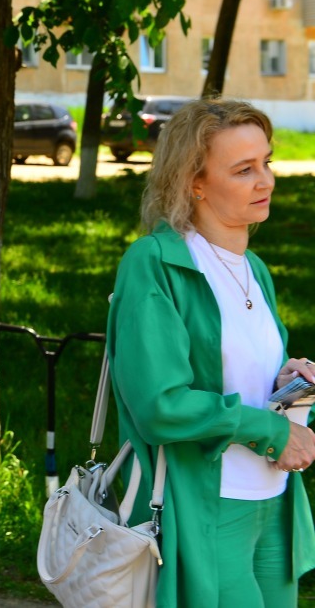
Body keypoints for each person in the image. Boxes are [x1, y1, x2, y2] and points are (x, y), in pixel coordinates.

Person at [107, 97, 315, 607]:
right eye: (244, 169)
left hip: (275, 505)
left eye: (266, 162)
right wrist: (272, 430)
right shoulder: (155, 263)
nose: (265, 180)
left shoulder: (255, 269)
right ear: (194, 182)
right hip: (209, 508)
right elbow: (160, 406)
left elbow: (233, 380)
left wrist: (286, 379)